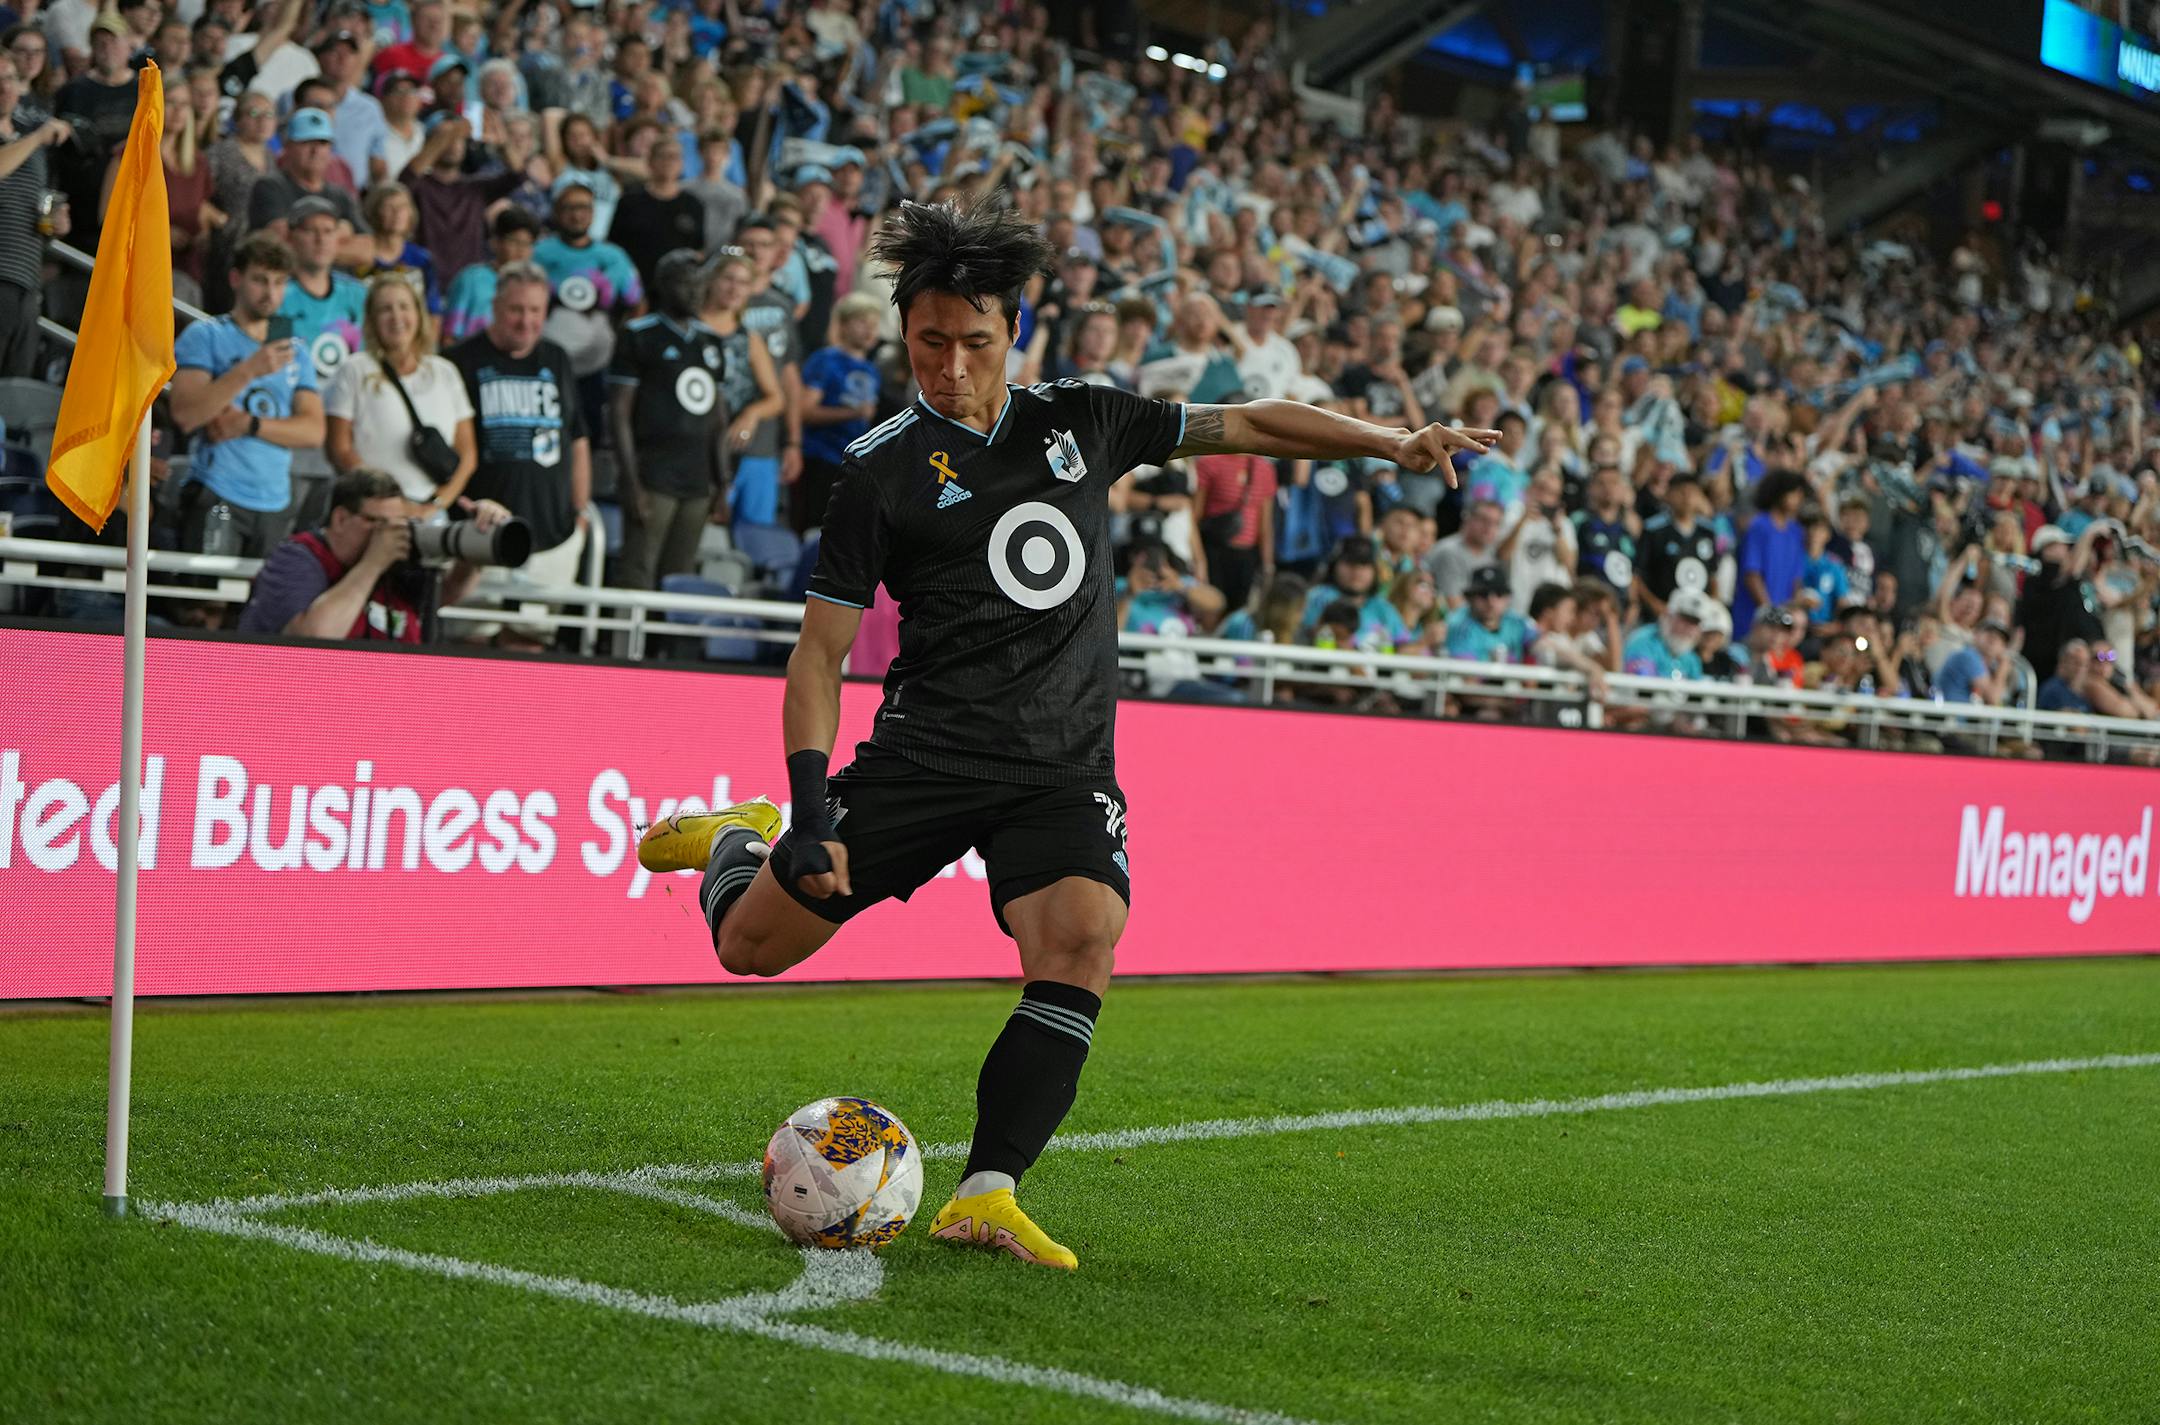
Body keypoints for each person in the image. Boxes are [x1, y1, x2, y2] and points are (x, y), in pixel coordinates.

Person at [631, 197, 1493, 1271]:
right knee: (751, 949)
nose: (949, 365)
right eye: (928, 343)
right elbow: (819, 654)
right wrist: (807, 810)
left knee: (1084, 938)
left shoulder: (1084, 417)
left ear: (1016, 333)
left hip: (1061, 765)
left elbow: (1254, 420)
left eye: (973, 343)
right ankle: (737, 839)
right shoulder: (880, 469)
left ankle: (986, 1191)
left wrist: (1391, 444)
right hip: (929, 755)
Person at [445, 260, 589, 641]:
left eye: (536, 311)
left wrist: (580, 508)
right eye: (516, 310)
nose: (527, 321)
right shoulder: (458, 362)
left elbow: (576, 436)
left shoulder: (556, 358)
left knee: (531, 644)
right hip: (480, 533)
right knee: (468, 643)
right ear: (495, 307)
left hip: (550, 533)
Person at [168, 233, 325, 556]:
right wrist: (248, 370)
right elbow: (186, 414)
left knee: (260, 606)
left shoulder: (294, 349)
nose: (270, 293)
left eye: (280, 283)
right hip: (217, 489)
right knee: (204, 605)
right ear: (236, 278)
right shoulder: (206, 335)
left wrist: (249, 424)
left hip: (275, 499)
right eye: (260, 280)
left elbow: (314, 432)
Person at [237, 467, 509, 640]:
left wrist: (477, 545)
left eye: (398, 522)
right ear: (341, 519)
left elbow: (447, 593)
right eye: (377, 522)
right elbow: (314, 637)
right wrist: (373, 564)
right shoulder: (297, 558)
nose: (388, 533)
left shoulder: (396, 563)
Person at [607, 250, 728, 590]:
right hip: (652, 476)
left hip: (698, 481)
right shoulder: (638, 334)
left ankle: (667, 646)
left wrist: (722, 484)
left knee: (681, 577)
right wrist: (631, 482)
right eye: (686, 284)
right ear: (663, 285)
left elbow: (719, 418)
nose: (695, 292)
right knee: (637, 573)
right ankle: (625, 644)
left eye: (700, 285)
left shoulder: (711, 341)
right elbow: (619, 413)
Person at [325, 275, 476, 516]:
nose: (396, 317)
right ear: (372, 320)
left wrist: (436, 504)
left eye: (404, 306)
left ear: (419, 314)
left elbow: (468, 453)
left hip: (431, 511)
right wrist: (389, 500)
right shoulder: (355, 369)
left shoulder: (445, 372)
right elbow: (339, 449)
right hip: (372, 509)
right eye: (385, 309)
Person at [532, 180, 642, 439]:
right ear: (557, 213)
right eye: (569, 207)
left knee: (592, 426)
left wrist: (623, 342)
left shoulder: (612, 256)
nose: (577, 214)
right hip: (547, 357)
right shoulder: (539, 253)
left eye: (583, 207)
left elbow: (636, 301)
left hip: (597, 360)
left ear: (593, 213)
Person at [698, 249, 785, 525]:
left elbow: (776, 398)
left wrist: (752, 414)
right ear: (712, 280)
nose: (735, 288)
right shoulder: (687, 327)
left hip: (729, 452)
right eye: (728, 279)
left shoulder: (749, 338)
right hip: (688, 446)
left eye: (744, 282)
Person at [0, 54, 69, 378]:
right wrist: (39, 136)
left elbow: (37, 203)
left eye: (10, 78)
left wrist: (56, 225)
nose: (4, 87)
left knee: (15, 389)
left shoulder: (31, 146)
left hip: (26, 280)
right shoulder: (34, 140)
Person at [796, 291, 884, 537]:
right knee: (813, 530)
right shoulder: (825, 360)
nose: (869, 331)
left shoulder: (872, 370)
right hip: (820, 458)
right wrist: (852, 413)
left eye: (874, 325)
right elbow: (806, 412)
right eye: (862, 323)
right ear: (844, 325)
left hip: (852, 464)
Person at [275, 194, 368, 381]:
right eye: (310, 230)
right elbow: (277, 364)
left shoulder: (358, 294)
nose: (321, 239)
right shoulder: (276, 295)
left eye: (328, 231)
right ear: (290, 237)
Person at [247, 107, 368, 244]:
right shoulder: (269, 187)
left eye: (322, 143)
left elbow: (368, 246)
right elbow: (276, 242)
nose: (315, 150)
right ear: (288, 147)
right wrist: (340, 232)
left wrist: (305, 239)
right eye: (307, 142)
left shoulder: (339, 194)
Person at [611, 133, 703, 294]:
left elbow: (698, 250)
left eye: (674, 157)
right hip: (634, 288)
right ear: (650, 161)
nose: (669, 162)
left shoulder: (693, 205)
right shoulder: (629, 201)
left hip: (675, 291)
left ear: (682, 164)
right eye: (663, 156)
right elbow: (614, 247)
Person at [441, 205, 540, 344]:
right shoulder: (470, 279)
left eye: (527, 244)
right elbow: (449, 335)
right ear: (495, 242)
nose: (521, 250)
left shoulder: (532, 286)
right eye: (514, 241)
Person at [1734, 470, 1808, 639]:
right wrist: (1769, 614)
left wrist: (1793, 608)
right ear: (1779, 492)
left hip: (1781, 623)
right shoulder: (1759, 526)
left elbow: (1797, 578)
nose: (1799, 499)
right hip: (1753, 617)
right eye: (1794, 493)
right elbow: (1752, 574)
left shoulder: (1796, 532)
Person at [1445, 563, 1532, 664]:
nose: (1491, 602)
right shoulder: (1458, 624)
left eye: (1499, 593)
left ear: (1508, 598)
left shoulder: (1516, 622)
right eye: (1483, 594)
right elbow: (1466, 674)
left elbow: (1539, 643)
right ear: (1470, 598)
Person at [1424, 497, 1502, 608]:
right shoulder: (1449, 552)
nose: (1489, 527)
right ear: (1468, 518)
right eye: (1484, 520)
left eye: (1496, 523)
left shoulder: (1490, 553)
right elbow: (1453, 604)